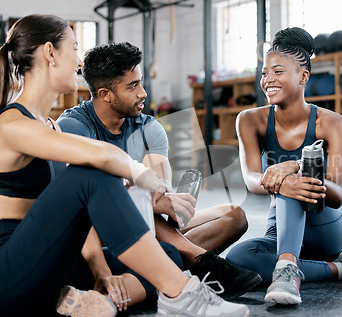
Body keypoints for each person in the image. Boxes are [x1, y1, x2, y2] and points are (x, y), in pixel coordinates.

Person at [0, 14, 249, 317]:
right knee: (92, 174)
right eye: (74, 47)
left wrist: (99, 265)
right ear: (50, 53)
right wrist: (144, 177)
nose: (79, 61)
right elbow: (104, 158)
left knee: (169, 253)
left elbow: (72, 216)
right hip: (10, 273)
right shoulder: (11, 123)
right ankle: (182, 293)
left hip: (48, 262)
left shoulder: (50, 125)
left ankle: (94, 301)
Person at [56, 41, 262, 300]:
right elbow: (83, 200)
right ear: (105, 94)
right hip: (92, 236)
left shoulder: (149, 127)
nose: (142, 93)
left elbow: (159, 194)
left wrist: (168, 202)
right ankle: (202, 262)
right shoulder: (74, 126)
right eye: (133, 86)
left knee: (234, 216)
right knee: (135, 202)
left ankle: (174, 260)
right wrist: (150, 196)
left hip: (145, 227)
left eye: (141, 82)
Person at [225, 27, 342, 306]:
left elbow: (338, 194)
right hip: (279, 229)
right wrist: (282, 177)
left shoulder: (332, 123)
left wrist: (295, 168)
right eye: (264, 73)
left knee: (290, 184)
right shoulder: (250, 120)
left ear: (303, 76)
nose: (268, 79)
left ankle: (287, 268)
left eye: (278, 71)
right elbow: (251, 178)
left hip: (325, 226)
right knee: (237, 260)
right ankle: (340, 268)